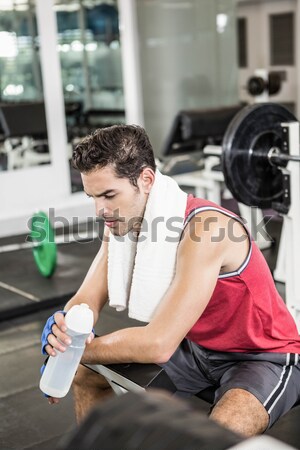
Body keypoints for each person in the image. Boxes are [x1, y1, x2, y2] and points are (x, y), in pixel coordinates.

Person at [41, 124, 300, 438]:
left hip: (261, 356)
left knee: (212, 439)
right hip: (197, 350)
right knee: (85, 374)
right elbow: (88, 297)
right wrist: (65, 332)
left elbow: (158, 344)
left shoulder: (207, 228)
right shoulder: (120, 221)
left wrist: (76, 350)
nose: (100, 210)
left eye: (109, 194)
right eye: (92, 197)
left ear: (146, 180)